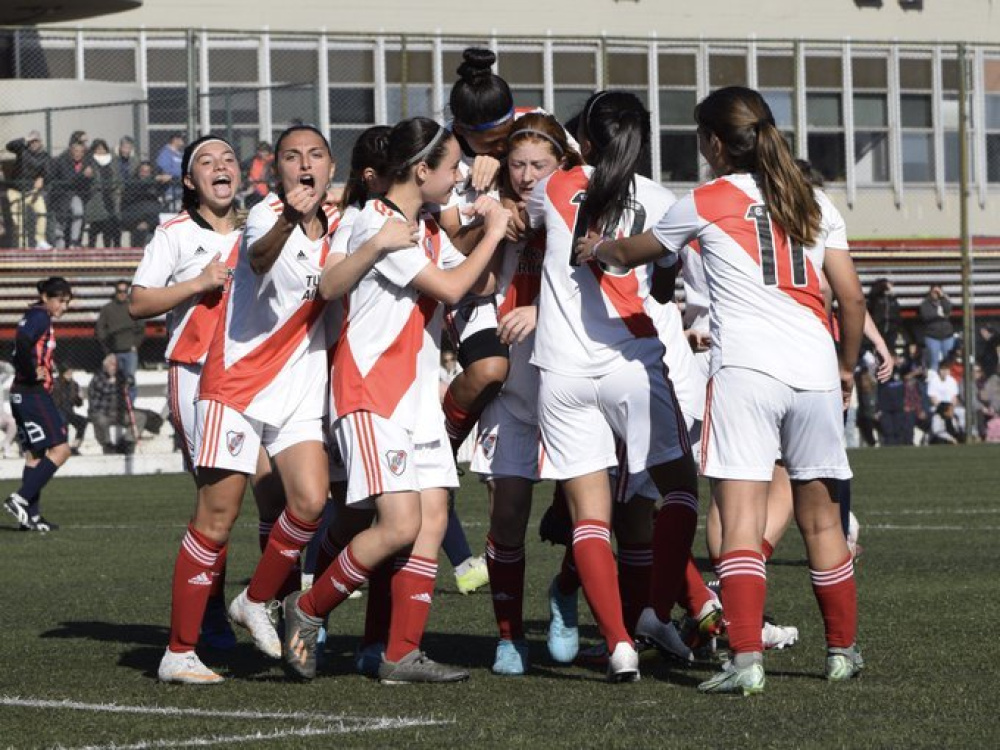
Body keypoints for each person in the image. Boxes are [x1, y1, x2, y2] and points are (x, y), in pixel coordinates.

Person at [578, 86, 866, 693]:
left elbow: (632, 252)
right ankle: (842, 652)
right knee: (822, 521)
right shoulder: (814, 201)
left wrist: (596, 247)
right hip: (814, 371)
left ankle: (745, 660)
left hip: (746, 372)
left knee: (739, 520)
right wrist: (844, 367)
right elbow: (853, 297)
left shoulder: (705, 200)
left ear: (713, 143)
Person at [282, 117, 510, 683]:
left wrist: (493, 231)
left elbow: (476, 285)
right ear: (421, 170)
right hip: (371, 394)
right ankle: (305, 610)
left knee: (431, 519)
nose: (458, 175)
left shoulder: (425, 226)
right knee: (400, 523)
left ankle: (397, 653)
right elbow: (454, 289)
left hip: (414, 398)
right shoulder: (377, 219)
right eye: (451, 166)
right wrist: (497, 231)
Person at [156, 125, 342, 684]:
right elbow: (258, 258)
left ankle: (254, 601)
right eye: (292, 156)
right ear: (276, 170)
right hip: (237, 385)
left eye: (315, 155)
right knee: (217, 516)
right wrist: (289, 218)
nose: (304, 164)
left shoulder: (343, 223)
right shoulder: (264, 215)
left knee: (310, 502)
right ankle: (178, 651)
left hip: (299, 389)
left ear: (331, 167)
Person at [528, 90, 701, 684]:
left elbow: (518, 217)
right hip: (632, 365)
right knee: (679, 490)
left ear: (587, 139)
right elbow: (660, 292)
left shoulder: (551, 186)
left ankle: (620, 644)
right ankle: (654, 611)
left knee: (590, 518)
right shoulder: (659, 198)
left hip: (560, 371)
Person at [467, 112, 583, 675]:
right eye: (518, 165)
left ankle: (565, 593)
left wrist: (542, 308)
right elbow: (479, 281)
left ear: (562, 164)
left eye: (540, 165)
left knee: (590, 523)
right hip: (515, 392)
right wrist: (485, 212)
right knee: (507, 516)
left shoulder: (581, 208)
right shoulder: (497, 209)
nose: (528, 176)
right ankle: (509, 637)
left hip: (573, 391)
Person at [3, 277, 74, 532]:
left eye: (67, 302)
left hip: (22, 394)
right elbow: (21, 342)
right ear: (45, 297)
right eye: (60, 301)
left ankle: (30, 517)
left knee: (34, 455)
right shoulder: (40, 316)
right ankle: (19, 499)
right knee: (62, 449)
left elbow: (20, 345)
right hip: (32, 393)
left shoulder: (34, 315)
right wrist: (32, 372)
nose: (63, 307)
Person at [96, 280, 145, 403]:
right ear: (115, 292)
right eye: (119, 291)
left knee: (130, 380)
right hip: (114, 352)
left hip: (130, 351)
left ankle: (129, 407)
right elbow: (100, 329)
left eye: (124, 291)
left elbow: (141, 328)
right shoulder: (107, 309)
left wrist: (136, 344)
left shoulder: (133, 307)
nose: (122, 294)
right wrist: (107, 349)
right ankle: (116, 406)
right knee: (114, 381)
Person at [87, 353, 145, 454]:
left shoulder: (120, 376)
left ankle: (128, 442)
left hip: (119, 413)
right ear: (105, 366)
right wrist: (116, 384)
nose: (113, 367)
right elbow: (106, 389)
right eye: (111, 364)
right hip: (103, 412)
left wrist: (128, 381)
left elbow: (130, 382)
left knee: (140, 417)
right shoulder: (98, 377)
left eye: (115, 365)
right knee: (100, 421)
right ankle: (107, 445)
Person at [4, 130, 51, 249]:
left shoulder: (45, 156)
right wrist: (23, 139)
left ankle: (40, 240)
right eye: (32, 141)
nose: (34, 143)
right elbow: (9, 146)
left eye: (36, 141)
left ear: (40, 142)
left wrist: (42, 178)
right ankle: (23, 246)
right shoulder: (22, 150)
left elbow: (48, 172)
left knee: (42, 213)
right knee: (18, 221)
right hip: (15, 191)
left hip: (32, 191)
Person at [48, 139, 93, 248]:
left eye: (81, 151)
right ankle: (59, 243)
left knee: (78, 211)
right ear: (71, 151)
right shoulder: (63, 160)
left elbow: (87, 181)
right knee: (60, 224)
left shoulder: (86, 162)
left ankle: (74, 240)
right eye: (76, 151)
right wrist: (83, 176)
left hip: (75, 195)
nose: (78, 154)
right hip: (60, 195)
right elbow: (69, 179)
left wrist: (89, 177)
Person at [84, 139, 122, 248]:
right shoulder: (90, 161)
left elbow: (119, 178)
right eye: (97, 149)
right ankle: (91, 248)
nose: (100, 151)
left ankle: (111, 247)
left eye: (102, 148)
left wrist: (118, 190)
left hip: (112, 196)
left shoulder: (113, 161)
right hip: (96, 197)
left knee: (112, 224)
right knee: (95, 226)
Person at [121, 161, 165, 247]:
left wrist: (165, 179)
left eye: (147, 172)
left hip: (150, 219)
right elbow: (139, 187)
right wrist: (154, 179)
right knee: (140, 230)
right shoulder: (132, 182)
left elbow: (162, 191)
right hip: (134, 217)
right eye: (142, 171)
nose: (144, 174)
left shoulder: (153, 185)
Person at [919, 284, 956, 371]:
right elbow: (926, 315)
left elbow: (948, 309)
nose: (936, 294)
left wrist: (942, 297)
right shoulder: (925, 303)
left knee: (948, 361)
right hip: (932, 337)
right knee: (934, 361)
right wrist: (940, 315)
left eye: (938, 292)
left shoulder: (944, 301)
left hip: (947, 336)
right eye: (934, 292)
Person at [51, 367, 87, 453]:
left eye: (71, 372)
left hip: (69, 412)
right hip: (56, 411)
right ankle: (63, 448)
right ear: (62, 373)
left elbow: (78, 405)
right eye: (67, 373)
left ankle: (75, 446)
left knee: (83, 421)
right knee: (63, 420)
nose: (69, 375)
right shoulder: (54, 383)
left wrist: (79, 398)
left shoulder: (74, 385)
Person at [867, 278, 902, 352]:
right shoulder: (876, 298)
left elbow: (897, 310)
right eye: (888, 284)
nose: (891, 286)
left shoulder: (892, 299)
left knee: (890, 349)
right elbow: (871, 308)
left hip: (891, 328)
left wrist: (896, 322)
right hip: (879, 326)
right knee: (878, 348)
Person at [156, 133, 186, 211]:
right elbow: (165, 171)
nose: (183, 140)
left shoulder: (180, 154)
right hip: (171, 192)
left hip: (181, 191)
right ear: (174, 139)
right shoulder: (165, 153)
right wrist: (180, 173)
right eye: (181, 138)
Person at [242, 141, 273, 208]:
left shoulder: (273, 162)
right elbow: (240, 170)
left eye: (264, 151)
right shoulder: (251, 161)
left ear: (269, 152)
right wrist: (247, 180)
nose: (262, 154)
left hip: (269, 191)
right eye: (260, 151)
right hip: (253, 191)